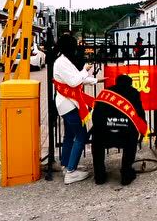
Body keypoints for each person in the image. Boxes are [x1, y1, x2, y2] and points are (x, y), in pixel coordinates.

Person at [53, 34, 97, 184]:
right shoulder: (61, 62)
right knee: (81, 136)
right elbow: (74, 81)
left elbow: (76, 77)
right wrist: (85, 69)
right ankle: (71, 172)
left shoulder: (63, 60)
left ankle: (66, 165)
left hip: (67, 104)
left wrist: (96, 80)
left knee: (69, 136)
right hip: (68, 106)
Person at [91, 74, 146, 185]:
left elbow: (95, 114)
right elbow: (140, 113)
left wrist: (99, 127)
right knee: (131, 139)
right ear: (130, 83)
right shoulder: (134, 92)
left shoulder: (106, 93)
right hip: (125, 133)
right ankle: (126, 175)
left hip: (103, 133)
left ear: (116, 82)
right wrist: (142, 130)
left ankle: (99, 176)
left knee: (96, 141)